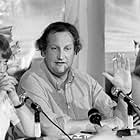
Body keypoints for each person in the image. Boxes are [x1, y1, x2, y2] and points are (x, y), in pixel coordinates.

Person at [18, 22, 132, 138]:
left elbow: (118, 122)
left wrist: (125, 94)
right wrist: (94, 125)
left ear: (75, 51)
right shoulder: (31, 80)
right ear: (43, 51)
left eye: (67, 49)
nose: (61, 56)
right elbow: (49, 127)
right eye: (54, 48)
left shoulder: (86, 81)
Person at [0, 34, 35, 140]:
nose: (2, 69)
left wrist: (14, 98)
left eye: (4, 62)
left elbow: (31, 131)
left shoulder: (5, 98)